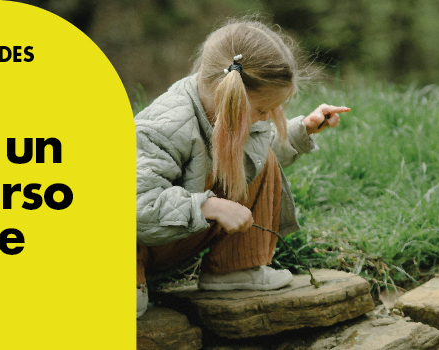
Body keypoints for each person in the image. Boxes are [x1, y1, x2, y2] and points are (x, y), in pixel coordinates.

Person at [134, 19, 350, 318]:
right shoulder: (162, 128)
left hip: (171, 239)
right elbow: (135, 206)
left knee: (265, 158)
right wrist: (209, 206)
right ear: (229, 97)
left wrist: (304, 129)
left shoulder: (232, 115)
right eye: (263, 110)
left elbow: (260, 152)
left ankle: (235, 266)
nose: (265, 119)